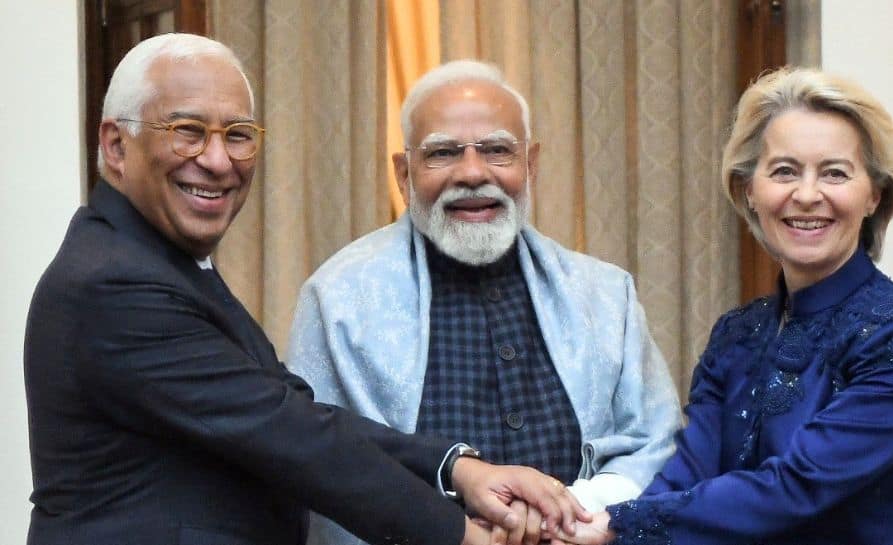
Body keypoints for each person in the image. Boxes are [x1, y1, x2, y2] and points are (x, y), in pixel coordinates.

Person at [23, 34, 587, 545]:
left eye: (238, 136)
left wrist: (458, 468)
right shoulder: (114, 284)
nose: (217, 161)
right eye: (187, 132)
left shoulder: (161, 261)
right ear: (116, 146)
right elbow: (295, 440)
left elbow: (295, 414)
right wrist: (463, 536)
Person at [287, 60, 680, 545]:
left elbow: (656, 443)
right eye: (442, 153)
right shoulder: (338, 299)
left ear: (530, 165)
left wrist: (568, 514)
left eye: (497, 150)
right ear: (404, 174)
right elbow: (320, 466)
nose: (472, 173)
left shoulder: (604, 295)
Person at [556, 67, 893, 545]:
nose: (807, 195)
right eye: (784, 171)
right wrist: (597, 525)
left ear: (873, 194)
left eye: (835, 173)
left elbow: (798, 486)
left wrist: (618, 526)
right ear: (749, 189)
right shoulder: (736, 335)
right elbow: (687, 474)